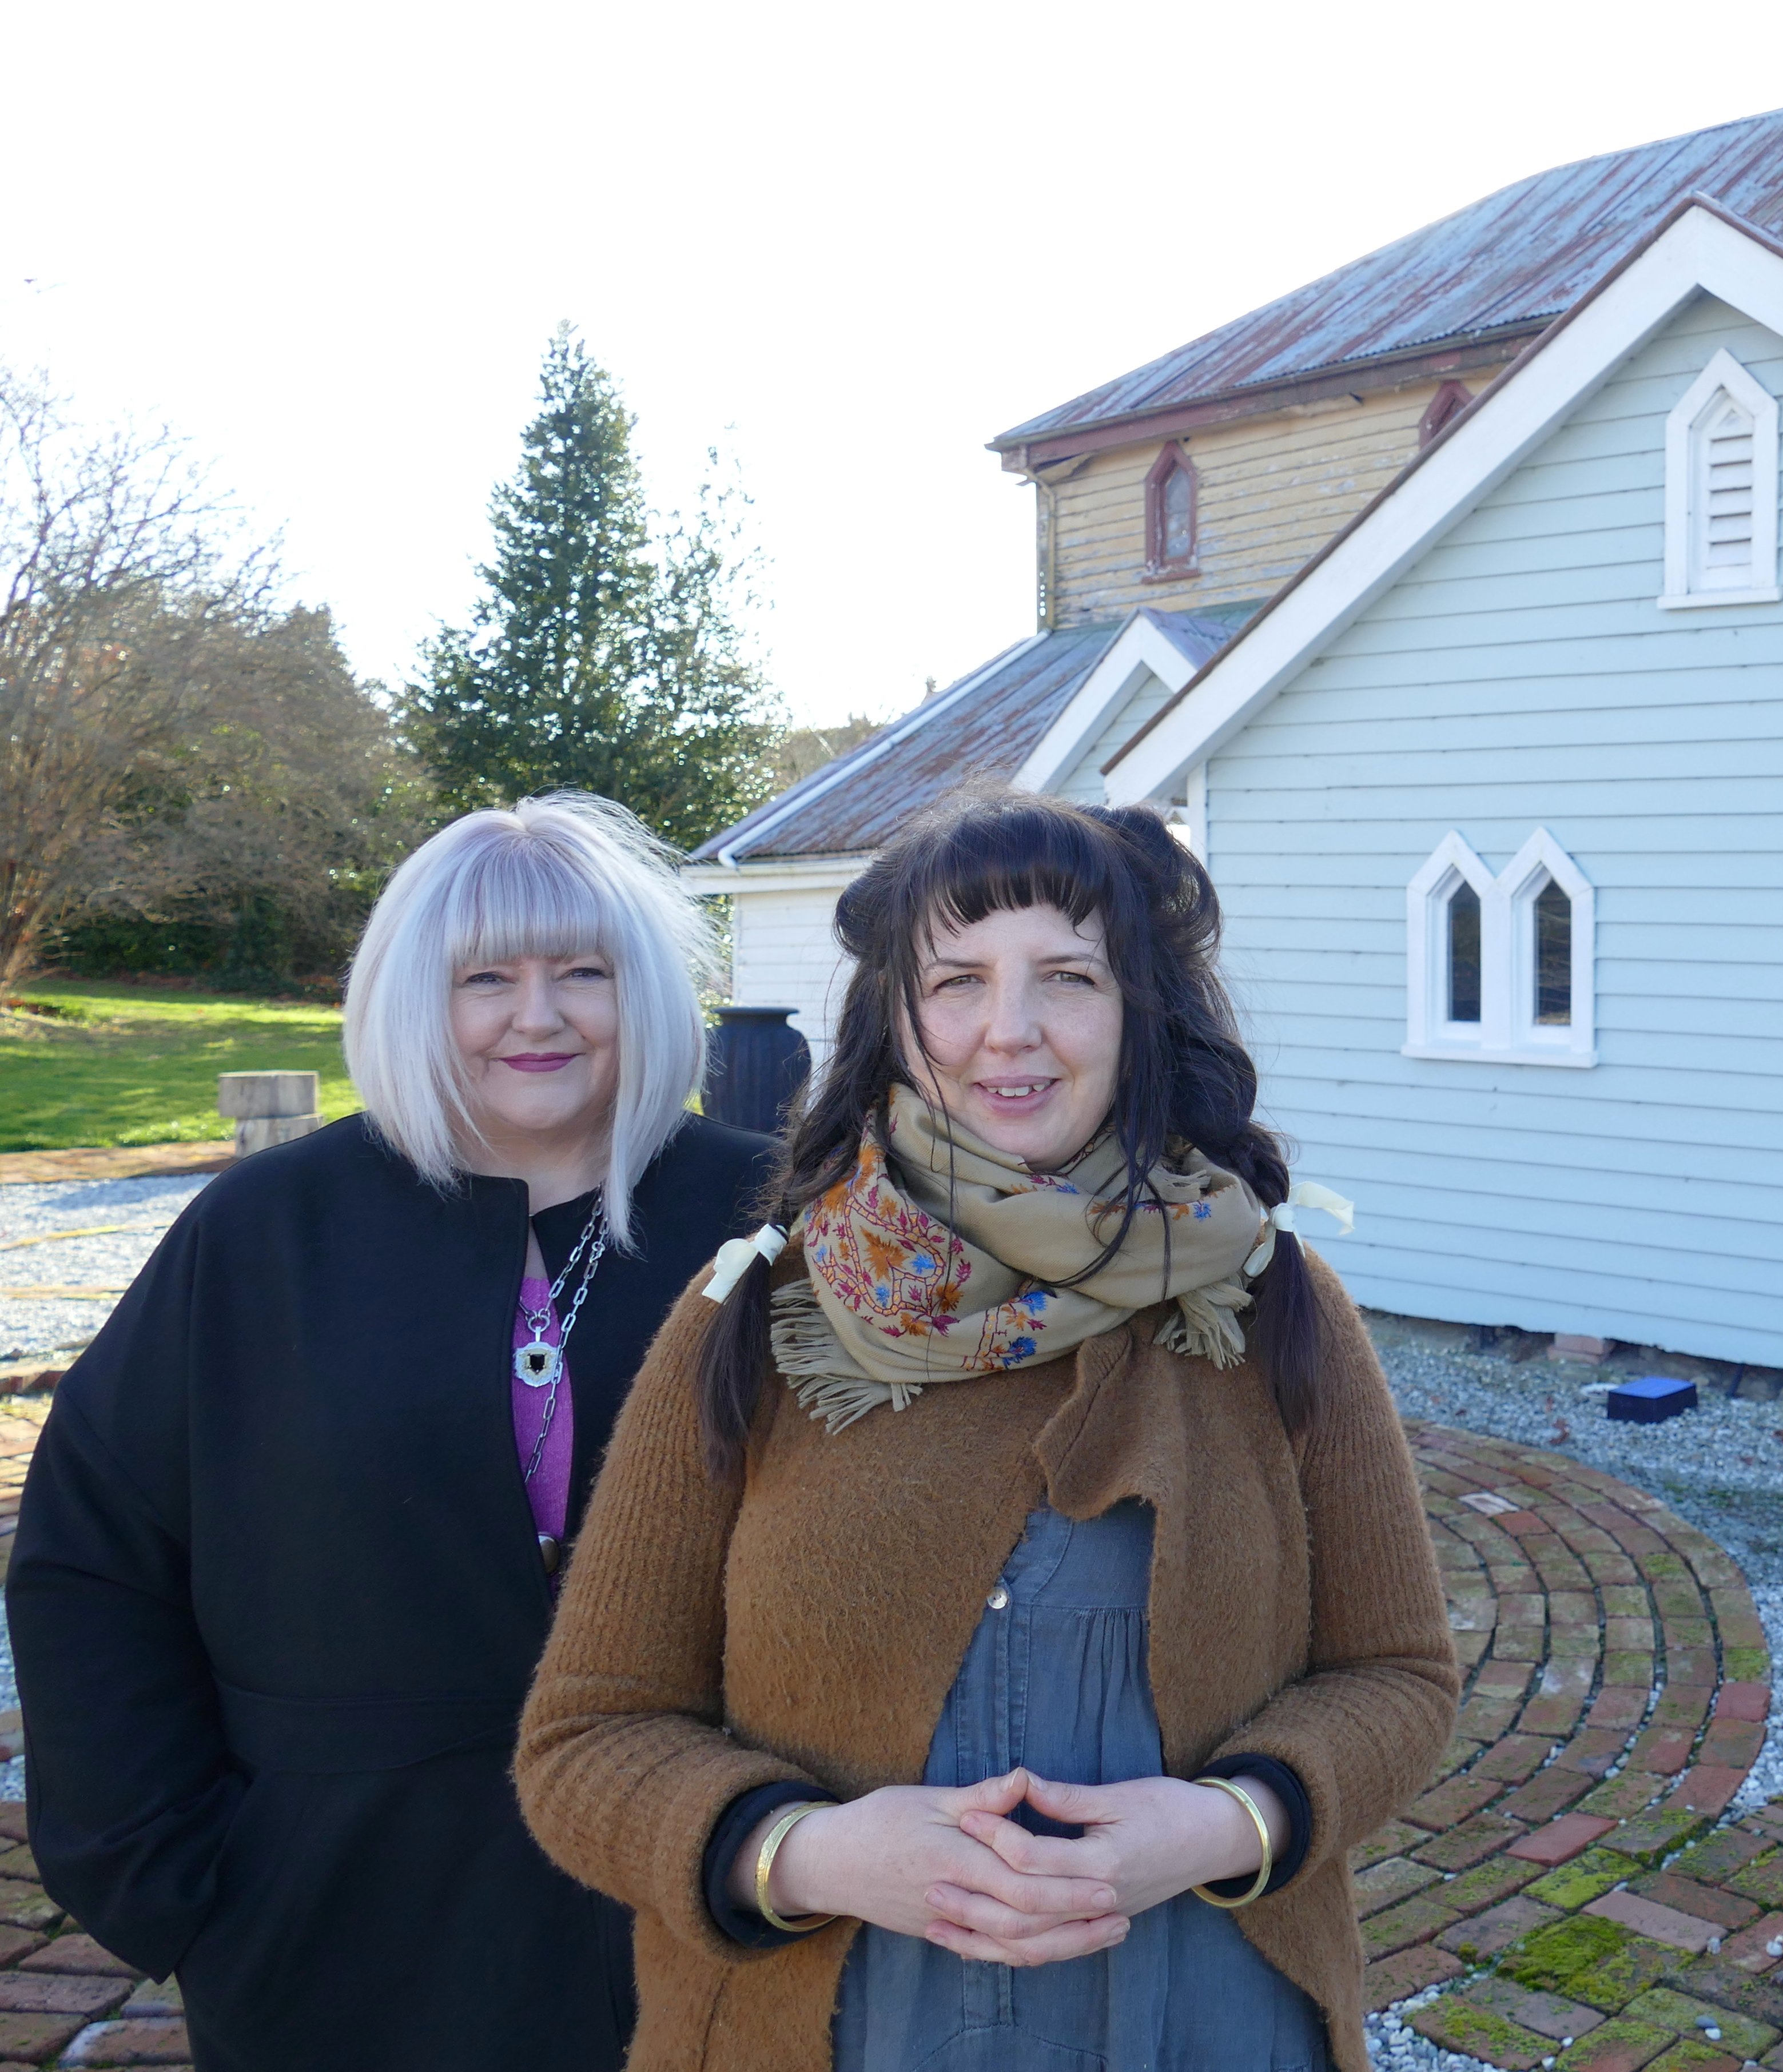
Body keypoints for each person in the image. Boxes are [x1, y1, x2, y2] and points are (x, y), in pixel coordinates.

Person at [515, 793, 1458, 2072]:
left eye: (1068, 977)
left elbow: (1397, 1676)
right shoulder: (757, 1314)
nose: (1007, 1032)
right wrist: (811, 1853)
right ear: (897, 1023)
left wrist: (1226, 1824)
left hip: (1206, 2021)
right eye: (955, 980)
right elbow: (587, 1738)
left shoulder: (1275, 1302)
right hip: (835, 2033)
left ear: (1141, 1013)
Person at [5, 794, 777, 2072]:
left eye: (582, 971)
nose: (538, 1015)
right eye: (487, 978)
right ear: (415, 998)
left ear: (642, 990)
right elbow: (98, 1553)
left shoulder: (774, 1219)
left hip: (704, 1898)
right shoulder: (267, 1232)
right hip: (334, 1927)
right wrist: (171, 1879)